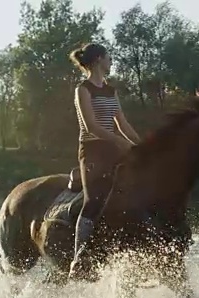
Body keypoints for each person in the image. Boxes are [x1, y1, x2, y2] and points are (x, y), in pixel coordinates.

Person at [68, 43, 141, 272]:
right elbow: (91, 126)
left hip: (113, 148)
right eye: (109, 57)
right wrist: (120, 142)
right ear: (99, 59)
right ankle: (79, 258)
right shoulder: (83, 89)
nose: (111, 62)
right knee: (93, 201)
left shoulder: (111, 90)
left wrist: (143, 145)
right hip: (92, 149)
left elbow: (123, 123)